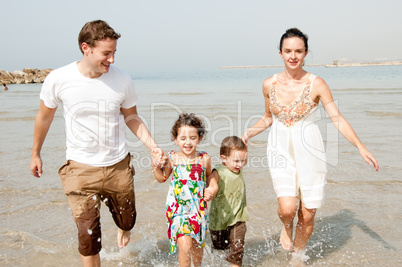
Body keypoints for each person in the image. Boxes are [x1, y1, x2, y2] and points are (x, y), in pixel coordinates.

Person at [30, 20, 166, 267]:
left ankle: (123, 228)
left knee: (127, 221)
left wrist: (153, 146)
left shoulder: (122, 79)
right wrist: (36, 153)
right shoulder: (58, 78)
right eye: (106, 53)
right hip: (80, 169)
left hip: (118, 166)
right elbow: (44, 117)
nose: (111, 60)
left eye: (114, 53)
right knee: (88, 236)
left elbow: (132, 118)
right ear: (86, 48)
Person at [241, 28, 379, 262]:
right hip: (280, 148)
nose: (293, 56)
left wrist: (360, 147)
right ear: (280, 53)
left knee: (308, 212)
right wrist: (247, 134)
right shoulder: (268, 84)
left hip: (310, 150)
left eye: (298, 51)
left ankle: (298, 255)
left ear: (305, 53)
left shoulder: (317, 84)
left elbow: (337, 118)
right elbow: (268, 117)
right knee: (287, 208)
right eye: (288, 51)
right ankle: (286, 226)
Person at [152, 113, 218, 267]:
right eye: (183, 139)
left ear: (199, 138)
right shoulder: (172, 158)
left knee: (196, 245)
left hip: (198, 210)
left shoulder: (204, 159)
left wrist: (212, 188)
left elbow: (209, 176)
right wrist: (155, 167)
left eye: (193, 138)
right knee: (185, 245)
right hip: (178, 210)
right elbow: (162, 178)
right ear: (175, 139)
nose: (188, 142)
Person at [208, 136, 249, 267]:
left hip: (238, 217)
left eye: (242, 161)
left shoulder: (238, 167)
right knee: (219, 251)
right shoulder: (219, 171)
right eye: (236, 161)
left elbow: (243, 158)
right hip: (219, 220)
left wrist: (246, 147)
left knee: (237, 249)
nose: (240, 164)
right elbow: (211, 179)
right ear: (224, 159)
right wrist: (211, 188)